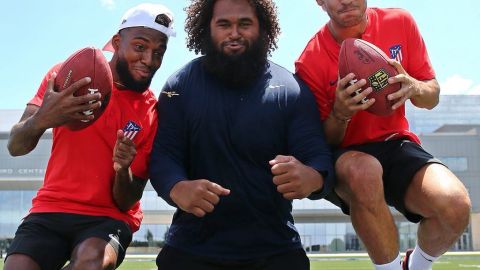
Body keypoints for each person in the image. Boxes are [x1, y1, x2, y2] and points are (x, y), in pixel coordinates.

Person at [148, 0, 334, 269]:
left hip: (275, 247)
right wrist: (177, 188)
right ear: (206, 29)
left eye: (244, 24)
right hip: (192, 246)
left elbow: (318, 154)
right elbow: (164, 155)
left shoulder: (291, 90)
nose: (234, 33)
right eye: (224, 24)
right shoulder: (179, 86)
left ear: (263, 29)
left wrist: (313, 176)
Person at [295, 1, 471, 270]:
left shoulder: (399, 21)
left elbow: (432, 96)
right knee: (363, 171)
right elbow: (320, 143)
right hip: (347, 154)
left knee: (455, 206)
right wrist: (340, 113)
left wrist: (414, 87)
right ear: (319, 1)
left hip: (395, 142)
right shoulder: (310, 60)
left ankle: (416, 265)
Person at [4, 3, 175, 270]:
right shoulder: (68, 77)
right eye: (140, 47)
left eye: (159, 52)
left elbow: (127, 200)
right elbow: (15, 146)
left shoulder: (152, 111)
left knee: (90, 263)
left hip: (107, 217)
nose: (149, 60)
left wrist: (123, 169)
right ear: (118, 42)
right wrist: (44, 118)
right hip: (51, 207)